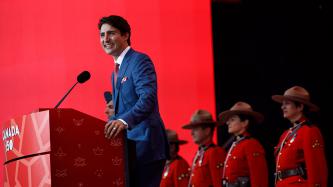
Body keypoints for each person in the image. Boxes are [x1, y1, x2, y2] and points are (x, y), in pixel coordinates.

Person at [98, 15, 169, 187]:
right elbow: (119, 112)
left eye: (111, 33)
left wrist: (123, 120)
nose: (105, 39)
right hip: (128, 150)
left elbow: (148, 98)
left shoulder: (139, 61)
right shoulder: (114, 72)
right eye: (102, 35)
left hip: (146, 146)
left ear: (125, 35)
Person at [272, 86, 327, 186]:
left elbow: (316, 168)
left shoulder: (309, 131)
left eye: (287, 104)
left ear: (300, 107)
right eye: (282, 104)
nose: (282, 107)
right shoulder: (285, 134)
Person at [218, 101, 268, 187]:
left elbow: (258, 178)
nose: (227, 123)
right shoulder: (235, 145)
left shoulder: (251, 144)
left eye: (232, 119)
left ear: (245, 123)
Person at [182, 109, 226, 187]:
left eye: (195, 129)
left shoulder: (215, 152)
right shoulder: (199, 154)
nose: (191, 133)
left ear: (207, 130)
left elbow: (218, 183)